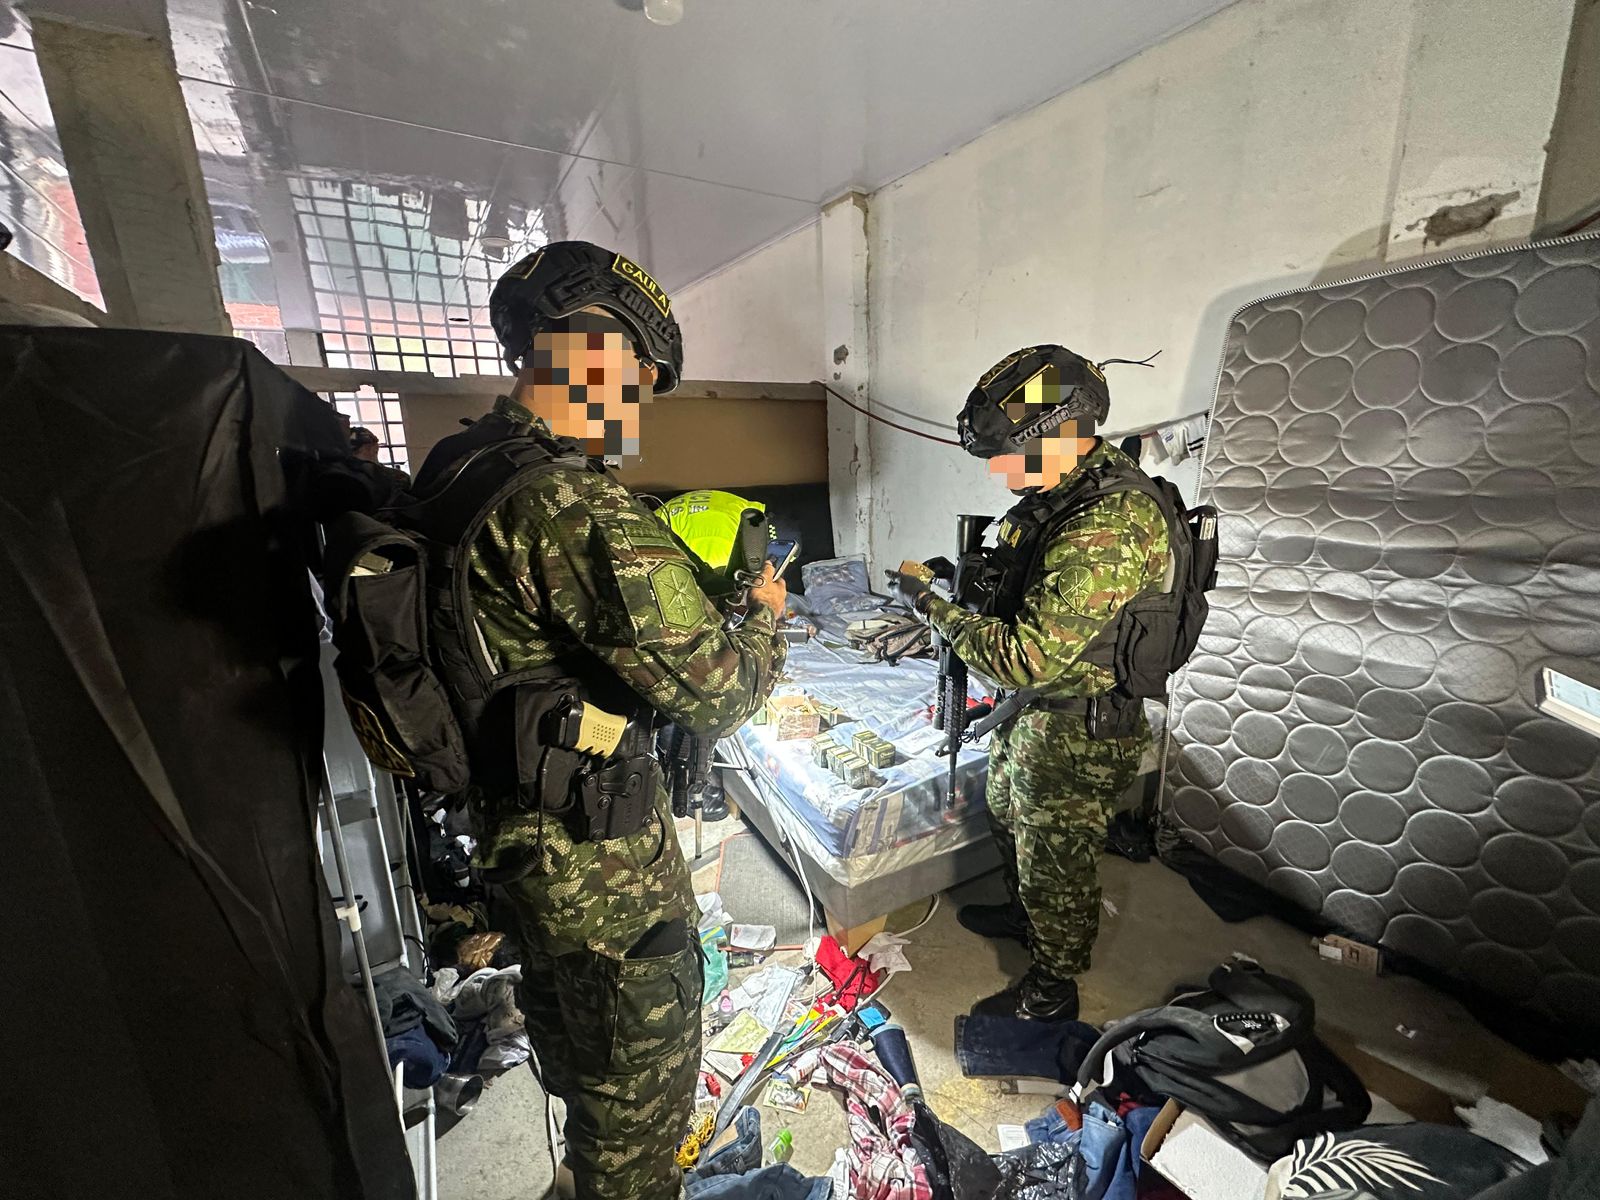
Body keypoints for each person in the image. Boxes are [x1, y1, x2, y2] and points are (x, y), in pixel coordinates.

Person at [411, 240, 788, 1200]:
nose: (638, 408)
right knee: (638, 1100)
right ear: (594, 351)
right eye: (641, 382)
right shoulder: (565, 497)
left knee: (577, 1054)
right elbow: (719, 690)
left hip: (514, 840)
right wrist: (765, 619)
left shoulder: (457, 467)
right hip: (600, 866)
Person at [888, 346, 1171, 1022]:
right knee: (1007, 816)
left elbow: (1023, 659)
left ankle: (1053, 985)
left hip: (1080, 724)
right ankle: (1026, 919)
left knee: (1056, 863)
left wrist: (929, 606)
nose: (998, 470)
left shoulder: (1108, 522)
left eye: (1009, 454)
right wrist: (961, 583)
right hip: (1039, 713)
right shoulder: (1060, 498)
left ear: (1062, 436)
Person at [348, 424, 413, 493]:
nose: (355, 457)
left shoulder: (398, 478)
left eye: (359, 451)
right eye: (354, 452)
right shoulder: (348, 480)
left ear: (375, 447)